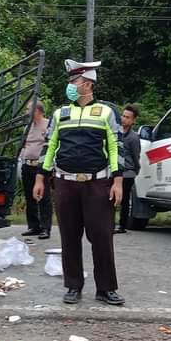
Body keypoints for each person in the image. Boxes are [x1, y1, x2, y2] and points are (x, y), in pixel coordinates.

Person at [33, 59, 124, 306]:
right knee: (69, 237)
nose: (70, 85)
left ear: (88, 84)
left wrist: (118, 181)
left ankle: (106, 288)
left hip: (98, 184)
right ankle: (73, 286)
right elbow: (50, 146)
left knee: (102, 236)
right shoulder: (60, 113)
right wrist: (41, 177)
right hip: (65, 183)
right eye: (71, 81)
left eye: (74, 81)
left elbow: (115, 146)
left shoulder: (106, 112)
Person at [19, 100, 52, 240]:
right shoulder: (27, 127)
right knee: (29, 196)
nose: (26, 112)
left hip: (41, 166)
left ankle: (45, 228)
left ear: (37, 111)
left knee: (44, 197)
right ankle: (34, 226)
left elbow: (51, 145)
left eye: (28, 109)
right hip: (27, 164)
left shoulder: (48, 124)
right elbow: (24, 144)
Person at [116, 105, 141, 233]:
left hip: (128, 172)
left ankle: (122, 225)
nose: (124, 119)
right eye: (123, 116)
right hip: (115, 170)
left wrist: (136, 170)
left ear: (133, 120)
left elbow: (136, 155)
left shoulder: (134, 137)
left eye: (127, 117)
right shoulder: (115, 132)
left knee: (124, 199)